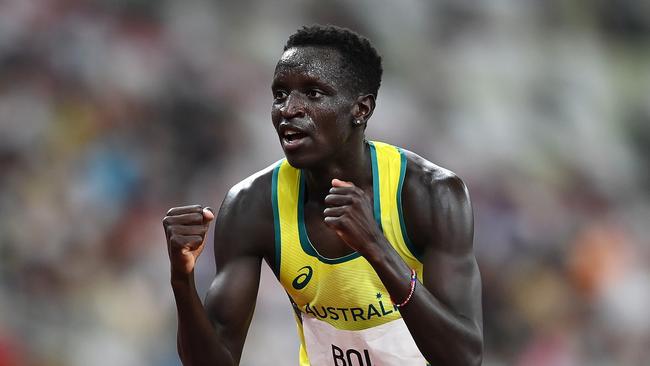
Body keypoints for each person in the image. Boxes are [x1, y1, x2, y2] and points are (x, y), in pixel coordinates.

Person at [163, 25, 483, 366]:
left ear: (361, 109)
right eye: (280, 94)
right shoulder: (251, 206)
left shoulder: (430, 194)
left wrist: (377, 248)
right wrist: (182, 281)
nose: (288, 109)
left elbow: (464, 358)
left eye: (313, 93)